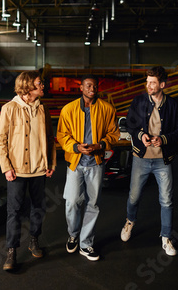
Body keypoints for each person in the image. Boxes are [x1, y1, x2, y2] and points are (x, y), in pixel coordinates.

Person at [120, 66, 178, 256]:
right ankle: (130, 221)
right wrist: (141, 135)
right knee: (134, 196)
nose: (148, 85)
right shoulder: (138, 101)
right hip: (141, 158)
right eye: (147, 82)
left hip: (163, 161)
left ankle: (166, 237)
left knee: (166, 200)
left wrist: (163, 139)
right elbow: (130, 124)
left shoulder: (174, 105)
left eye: (152, 82)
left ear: (162, 85)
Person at [0, 70, 56, 271]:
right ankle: (11, 251)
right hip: (17, 171)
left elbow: (49, 138)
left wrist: (51, 164)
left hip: (39, 169)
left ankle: (34, 240)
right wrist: (6, 168)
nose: (43, 86)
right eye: (40, 83)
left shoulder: (43, 109)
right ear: (28, 86)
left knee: (38, 208)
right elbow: (1, 142)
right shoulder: (9, 109)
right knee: (14, 211)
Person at [57, 75, 119, 261]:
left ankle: (86, 244)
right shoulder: (68, 110)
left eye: (95, 86)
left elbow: (113, 134)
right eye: (88, 86)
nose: (92, 88)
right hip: (75, 164)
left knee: (93, 204)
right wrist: (77, 147)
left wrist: (99, 145)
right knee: (72, 201)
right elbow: (62, 135)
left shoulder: (107, 109)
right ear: (81, 88)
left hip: (96, 164)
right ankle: (73, 234)